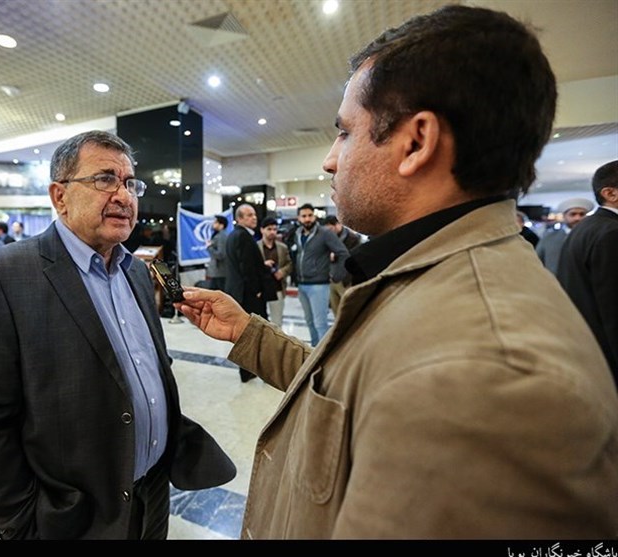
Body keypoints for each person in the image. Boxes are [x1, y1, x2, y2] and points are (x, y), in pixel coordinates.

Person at [175, 5, 617, 538]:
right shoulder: (424, 270)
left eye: (345, 132)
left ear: (416, 142)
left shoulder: (491, 375)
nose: (330, 160)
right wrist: (249, 333)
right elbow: (348, 393)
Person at [0, 130, 235, 540]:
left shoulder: (136, 272)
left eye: (130, 183)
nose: (124, 196)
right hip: (69, 520)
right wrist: (24, 522)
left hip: (151, 499)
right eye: (105, 179)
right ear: (59, 196)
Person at [557, 160, 618, 387]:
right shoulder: (611, 232)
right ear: (610, 193)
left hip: (588, 344)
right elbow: (612, 306)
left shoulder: (588, 227)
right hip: (607, 351)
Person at [224, 203, 271, 382]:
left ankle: (248, 370)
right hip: (247, 293)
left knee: (245, 333)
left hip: (237, 291)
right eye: (249, 215)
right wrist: (256, 289)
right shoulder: (243, 236)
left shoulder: (233, 235)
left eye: (254, 214)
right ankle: (249, 371)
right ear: (240, 218)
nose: (254, 217)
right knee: (253, 332)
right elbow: (246, 267)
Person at [292, 203, 349, 346]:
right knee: (310, 322)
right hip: (302, 284)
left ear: (314, 216)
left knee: (320, 324)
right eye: (304, 216)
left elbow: (343, 253)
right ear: (298, 218)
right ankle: (313, 351)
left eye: (310, 215)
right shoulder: (298, 233)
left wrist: (337, 275)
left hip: (319, 285)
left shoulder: (325, 233)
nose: (307, 219)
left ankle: (323, 354)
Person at [535, 197, 594, 274]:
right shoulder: (549, 238)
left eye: (582, 214)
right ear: (564, 216)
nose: (577, 218)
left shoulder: (593, 237)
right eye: (573, 214)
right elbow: (537, 261)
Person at [257, 216, 292, 327]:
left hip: (277, 287)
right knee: (259, 322)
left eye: (275, 229)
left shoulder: (282, 247)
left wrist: (282, 272)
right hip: (260, 289)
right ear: (262, 230)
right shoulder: (255, 247)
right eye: (269, 229)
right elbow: (250, 266)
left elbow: (289, 264)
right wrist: (263, 265)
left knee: (277, 322)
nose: (272, 232)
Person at [323, 215, 361, 317]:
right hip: (332, 278)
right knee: (336, 311)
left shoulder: (352, 239)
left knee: (349, 311)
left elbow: (353, 257)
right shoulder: (328, 239)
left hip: (346, 280)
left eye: (331, 229)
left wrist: (336, 255)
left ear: (338, 225)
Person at [205, 215, 228, 291]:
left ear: (221, 225)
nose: (213, 224)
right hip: (218, 272)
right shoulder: (219, 235)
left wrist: (209, 247)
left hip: (219, 272)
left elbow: (221, 254)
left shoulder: (221, 236)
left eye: (216, 222)